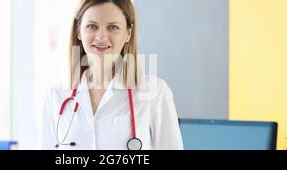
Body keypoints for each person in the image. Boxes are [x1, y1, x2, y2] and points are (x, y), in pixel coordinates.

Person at [41, 0, 183, 150]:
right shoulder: (56, 95)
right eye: (92, 26)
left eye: (113, 27)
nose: (101, 37)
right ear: (78, 31)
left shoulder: (155, 93)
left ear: (128, 33)